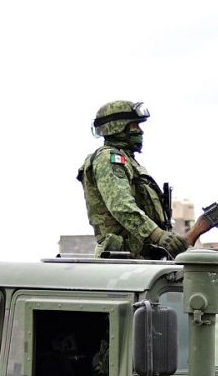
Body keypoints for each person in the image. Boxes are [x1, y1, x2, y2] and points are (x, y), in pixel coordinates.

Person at [77, 100, 188, 260]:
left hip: (140, 258)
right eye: (135, 125)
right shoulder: (108, 159)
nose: (140, 131)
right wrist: (157, 235)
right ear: (118, 127)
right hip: (121, 258)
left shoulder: (129, 162)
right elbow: (121, 205)